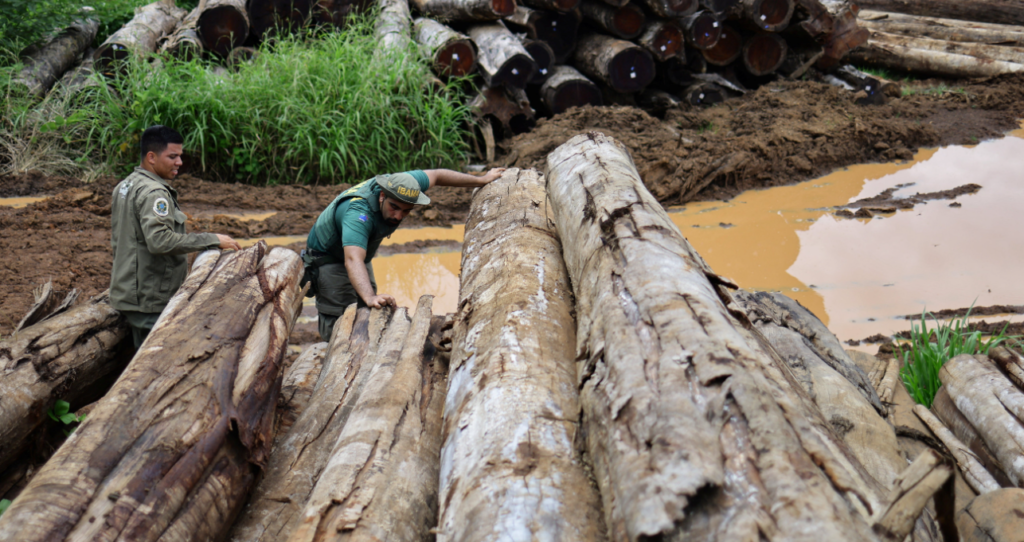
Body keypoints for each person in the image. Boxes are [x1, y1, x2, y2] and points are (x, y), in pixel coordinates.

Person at [303, 167, 505, 341]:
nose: (398, 216)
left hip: (358, 254)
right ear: (382, 196)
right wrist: (370, 296)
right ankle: (332, 363)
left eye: (406, 211)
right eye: (394, 207)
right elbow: (352, 259)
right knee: (341, 319)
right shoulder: (358, 213)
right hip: (328, 259)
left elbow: (437, 175)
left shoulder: (405, 185)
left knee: (368, 310)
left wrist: (481, 180)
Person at [110, 125, 241, 348]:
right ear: (151, 157)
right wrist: (211, 239)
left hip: (131, 294)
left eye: (180, 156)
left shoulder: (126, 185)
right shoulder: (155, 193)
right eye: (172, 156)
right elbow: (160, 241)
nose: (179, 162)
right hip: (150, 300)